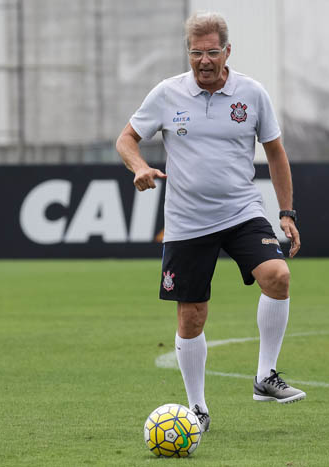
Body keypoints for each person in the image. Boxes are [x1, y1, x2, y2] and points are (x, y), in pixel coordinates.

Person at [115, 11, 305, 432]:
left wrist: (286, 213)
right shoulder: (167, 94)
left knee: (278, 275)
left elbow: (275, 152)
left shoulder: (251, 94)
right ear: (189, 53)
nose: (203, 60)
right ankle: (198, 409)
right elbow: (126, 138)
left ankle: (264, 377)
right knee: (192, 316)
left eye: (212, 52)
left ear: (227, 52)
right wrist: (139, 166)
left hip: (242, 212)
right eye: (195, 52)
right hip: (187, 222)